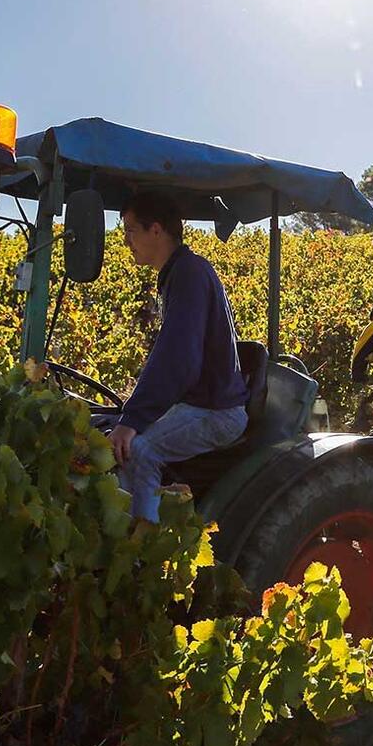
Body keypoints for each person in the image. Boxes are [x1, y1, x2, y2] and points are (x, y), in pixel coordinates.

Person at [108, 191, 250, 524]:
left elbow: (178, 359)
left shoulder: (188, 274)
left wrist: (132, 421)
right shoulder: (180, 272)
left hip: (217, 411)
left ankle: (140, 557)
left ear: (155, 230)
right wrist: (130, 415)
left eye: (131, 230)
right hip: (196, 402)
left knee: (138, 451)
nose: (126, 241)